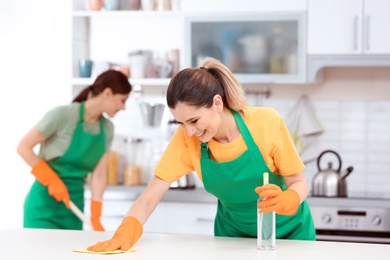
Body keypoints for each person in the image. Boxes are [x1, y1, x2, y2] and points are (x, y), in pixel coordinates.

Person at [87, 58, 316, 252]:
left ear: (217, 103)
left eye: (194, 121)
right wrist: (126, 231)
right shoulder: (187, 137)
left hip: (289, 236)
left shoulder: (266, 122)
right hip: (232, 240)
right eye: (181, 123)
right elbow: (150, 195)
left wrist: (291, 198)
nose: (190, 131)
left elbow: (298, 182)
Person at [17, 70, 132, 230]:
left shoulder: (107, 129)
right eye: (122, 100)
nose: (124, 107)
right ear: (107, 93)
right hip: (43, 208)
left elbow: (99, 175)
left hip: (74, 209)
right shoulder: (62, 115)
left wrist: (96, 214)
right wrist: (51, 179)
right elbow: (23, 147)